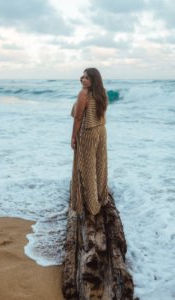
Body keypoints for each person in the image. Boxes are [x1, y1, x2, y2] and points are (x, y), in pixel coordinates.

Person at [70, 68, 109, 216]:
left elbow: (78, 118)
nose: (82, 79)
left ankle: (92, 207)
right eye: (82, 76)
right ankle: (101, 198)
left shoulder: (84, 94)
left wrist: (73, 137)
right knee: (100, 164)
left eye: (86, 77)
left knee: (87, 168)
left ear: (94, 80)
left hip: (88, 132)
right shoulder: (102, 93)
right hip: (101, 131)